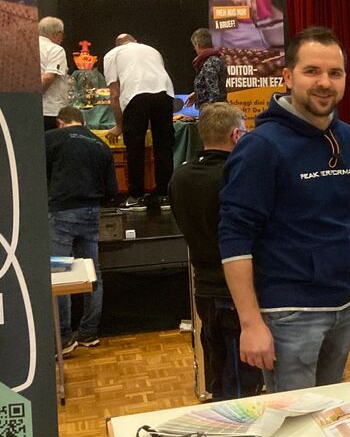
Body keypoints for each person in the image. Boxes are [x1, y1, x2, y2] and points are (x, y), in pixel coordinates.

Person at [218, 26, 350, 393]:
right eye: (312, 71)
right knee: (294, 417)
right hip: (288, 313)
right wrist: (250, 323)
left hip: (343, 304)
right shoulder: (261, 147)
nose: (324, 82)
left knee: (327, 409)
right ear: (288, 77)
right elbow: (234, 237)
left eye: (334, 73)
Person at [169, 102, 263, 400]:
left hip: (204, 290)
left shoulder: (179, 177)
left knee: (220, 371)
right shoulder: (238, 178)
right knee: (242, 384)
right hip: (238, 291)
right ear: (236, 135)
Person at [46, 106, 118, 355]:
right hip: (91, 211)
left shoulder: (51, 138)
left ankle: (64, 337)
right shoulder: (100, 145)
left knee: (60, 272)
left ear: (60, 122)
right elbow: (112, 190)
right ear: (83, 122)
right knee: (92, 273)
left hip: (61, 210)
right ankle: (89, 332)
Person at [102, 33, 176, 211]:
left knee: (135, 147)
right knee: (164, 145)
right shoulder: (152, 50)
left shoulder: (112, 54)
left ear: (117, 44)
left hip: (135, 95)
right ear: (135, 41)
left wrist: (120, 126)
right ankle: (165, 196)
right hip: (165, 94)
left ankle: (136, 197)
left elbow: (114, 95)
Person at [39, 16, 70, 132]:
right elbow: (48, 78)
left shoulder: (25, 48)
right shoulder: (56, 50)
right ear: (58, 34)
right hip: (50, 111)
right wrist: (35, 97)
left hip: (27, 110)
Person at [186, 27, 229, 108]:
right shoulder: (217, 59)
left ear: (197, 45)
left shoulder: (210, 63)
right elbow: (214, 87)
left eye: (194, 46)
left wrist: (210, 113)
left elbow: (214, 93)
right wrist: (197, 94)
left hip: (213, 112)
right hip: (218, 109)